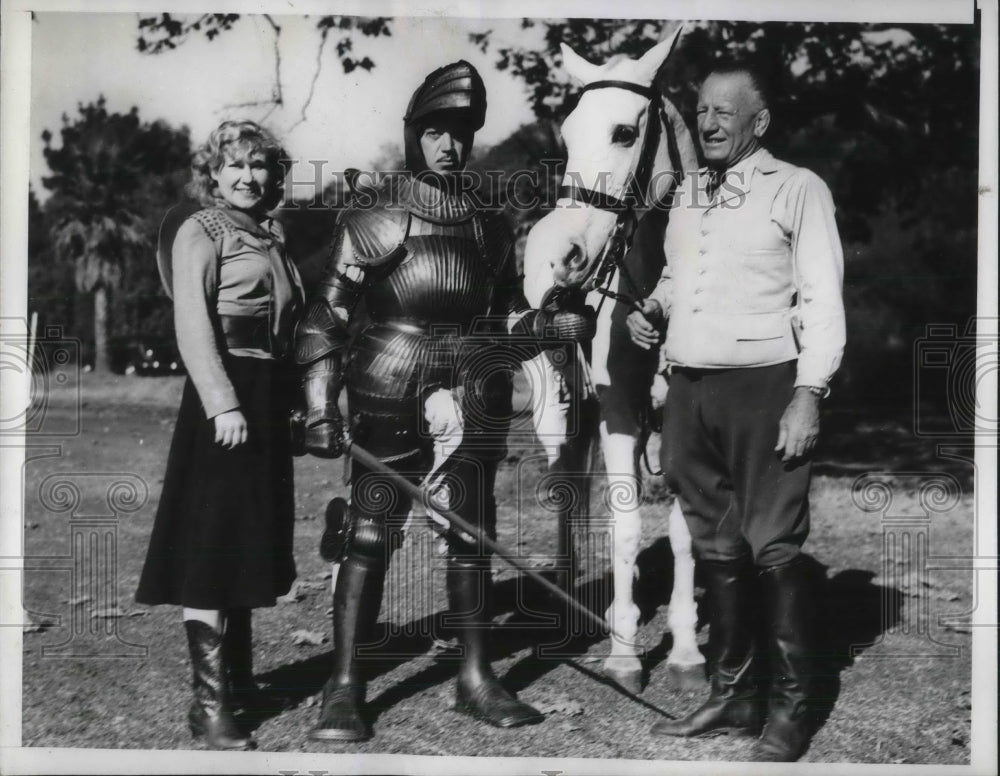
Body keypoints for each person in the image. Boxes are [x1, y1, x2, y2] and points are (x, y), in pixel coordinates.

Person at [295, 60, 595, 742]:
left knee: (470, 537)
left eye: (460, 132)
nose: (448, 146)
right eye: (435, 132)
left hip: (470, 392)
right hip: (387, 386)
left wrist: (552, 326)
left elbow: (502, 323)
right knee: (369, 537)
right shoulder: (372, 216)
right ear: (414, 135)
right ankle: (344, 684)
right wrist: (320, 406)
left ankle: (475, 677)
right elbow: (325, 318)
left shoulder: (488, 223)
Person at [627, 61, 846, 762]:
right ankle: (734, 695)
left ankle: (789, 708)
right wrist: (654, 309)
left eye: (725, 111)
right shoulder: (687, 194)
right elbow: (676, 272)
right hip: (690, 389)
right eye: (701, 112)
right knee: (715, 545)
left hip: (765, 387)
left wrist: (809, 393)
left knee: (773, 546)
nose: (709, 123)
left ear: (761, 122)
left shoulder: (799, 189)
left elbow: (822, 297)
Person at [136, 120, 304, 750]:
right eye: (233, 165)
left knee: (244, 539)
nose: (246, 177)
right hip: (224, 403)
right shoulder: (199, 231)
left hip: (263, 400)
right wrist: (222, 403)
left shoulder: (268, 235)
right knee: (211, 544)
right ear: (212, 173)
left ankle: (236, 683)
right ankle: (209, 708)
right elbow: (193, 324)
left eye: (258, 166)